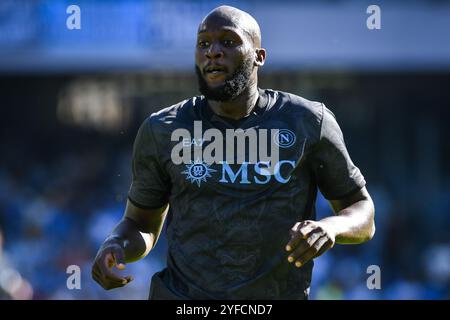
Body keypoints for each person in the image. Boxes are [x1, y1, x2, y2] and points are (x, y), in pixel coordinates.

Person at [92, 5, 375, 300]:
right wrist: (116, 244)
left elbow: (362, 212)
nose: (212, 51)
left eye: (228, 42)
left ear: (258, 57)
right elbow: (141, 224)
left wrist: (329, 228)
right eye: (203, 43)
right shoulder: (162, 129)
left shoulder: (308, 121)